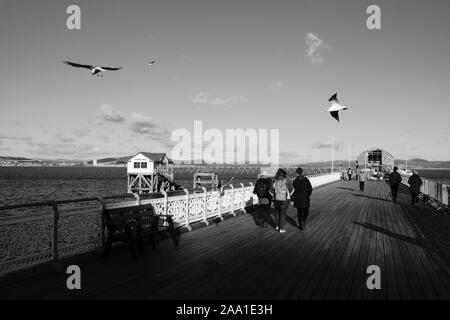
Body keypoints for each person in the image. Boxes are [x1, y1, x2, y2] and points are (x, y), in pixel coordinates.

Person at [270, 168, 292, 233]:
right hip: (285, 199)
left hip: (276, 199)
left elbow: (270, 190)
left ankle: (277, 225)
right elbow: (292, 189)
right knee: (283, 214)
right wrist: (289, 194)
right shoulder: (287, 180)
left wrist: (274, 195)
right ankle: (281, 228)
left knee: (277, 212)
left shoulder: (274, 180)